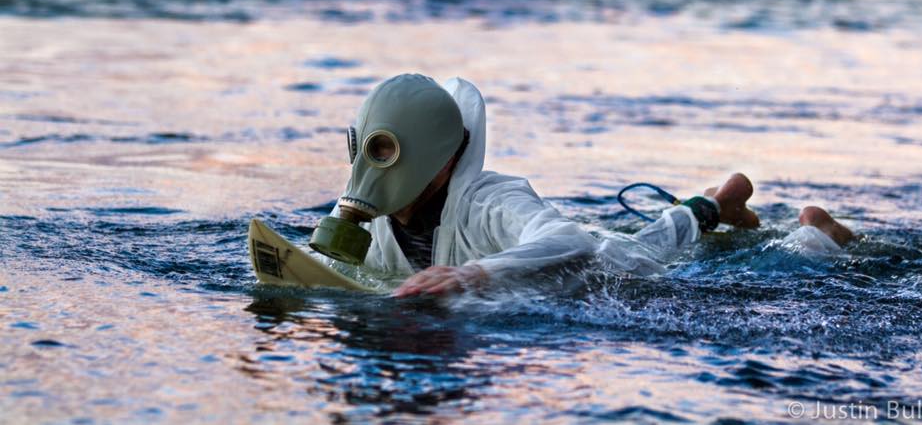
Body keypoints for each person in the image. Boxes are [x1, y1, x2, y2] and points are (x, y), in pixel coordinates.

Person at [316, 74, 857, 299]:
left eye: (388, 152)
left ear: (441, 159)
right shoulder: (381, 221)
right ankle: (719, 201)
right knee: (654, 238)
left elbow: (572, 242)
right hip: (614, 246)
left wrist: (470, 273)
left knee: (652, 254)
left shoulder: (490, 200)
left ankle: (820, 232)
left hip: (607, 266)